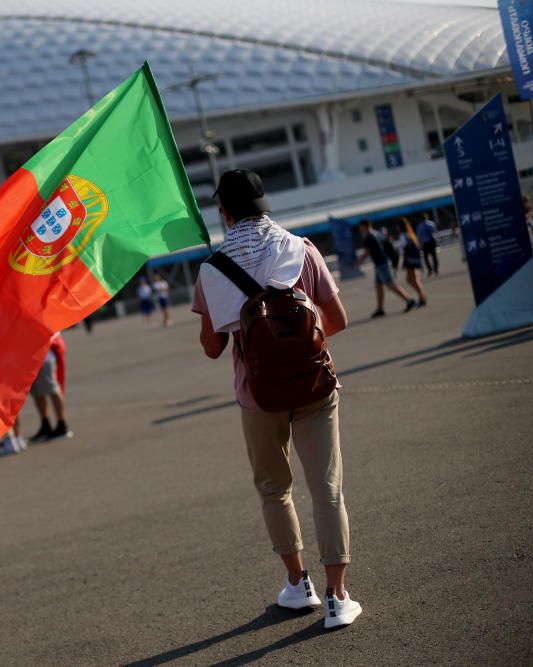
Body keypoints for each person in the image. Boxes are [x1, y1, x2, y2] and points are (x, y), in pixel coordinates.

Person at [192, 168, 360, 629]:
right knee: (326, 490)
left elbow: (212, 348)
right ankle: (337, 597)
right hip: (314, 387)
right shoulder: (302, 248)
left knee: (274, 489)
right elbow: (338, 320)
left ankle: (298, 584)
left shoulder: (213, 268)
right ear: (265, 204)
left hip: (257, 395)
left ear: (224, 213)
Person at [354, 219, 416, 318]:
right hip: (382, 261)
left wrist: (357, 263)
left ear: (365, 226)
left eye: (360, 226)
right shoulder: (376, 233)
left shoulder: (368, 237)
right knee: (378, 286)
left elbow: (366, 253)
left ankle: (409, 300)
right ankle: (380, 308)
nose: (359, 229)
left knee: (390, 284)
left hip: (380, 263)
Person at [28, 332, 72, 442]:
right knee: (37, 393)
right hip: (30, 355)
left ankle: (62, 424)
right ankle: (45, 424)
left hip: (44, 354)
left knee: (52, 389)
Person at [398, 218, 428, 307]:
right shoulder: (410, 234)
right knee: (413, 279)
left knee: (411, 279)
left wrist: (404, 262)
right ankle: (422, 296)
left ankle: (422, 296)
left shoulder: (403, 235)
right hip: (415, 259)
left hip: (410, 260)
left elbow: (405, 249)